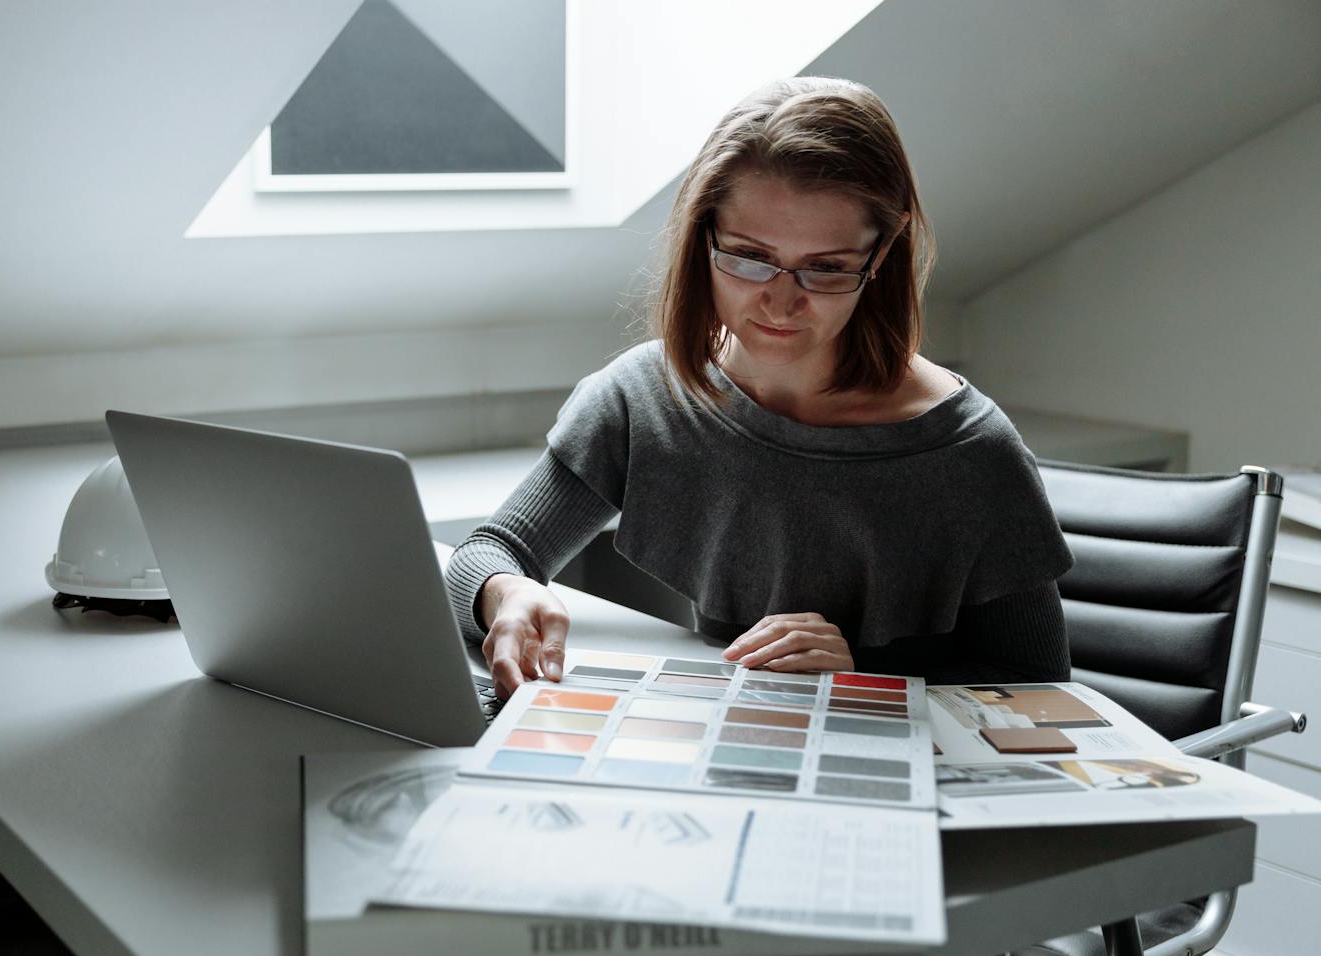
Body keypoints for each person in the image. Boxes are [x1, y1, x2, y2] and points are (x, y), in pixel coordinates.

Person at [446, 76, 1073, 710]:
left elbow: (1041, 689)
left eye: (826, 267)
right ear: (704, 237)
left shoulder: (970, 451)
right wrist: (506, 592)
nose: (780, 301)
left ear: (882, 252)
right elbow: (488, 552)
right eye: (748, 257)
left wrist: (864, 678)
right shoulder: (647, 396)